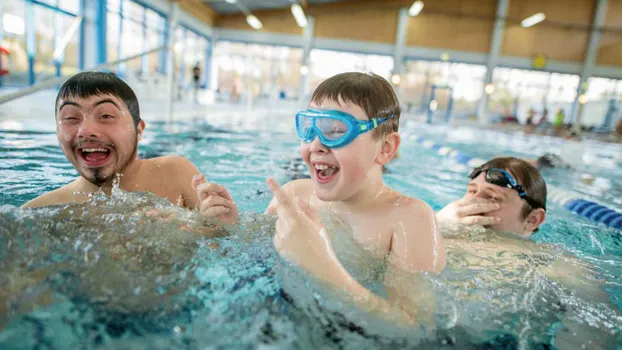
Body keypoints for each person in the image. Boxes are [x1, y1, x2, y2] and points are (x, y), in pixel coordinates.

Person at [195, 72, 446, 323]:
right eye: (309, 128)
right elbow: (255, 252)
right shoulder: (294, 194)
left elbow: (416, 329)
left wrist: (324, 269)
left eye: (336, 131)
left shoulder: (409, 218)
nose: (316, 145)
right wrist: (229, 227)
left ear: (385, 148)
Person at [22, 72, 205, 210]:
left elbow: (225, 241)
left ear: (138, 129)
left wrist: (216, 224)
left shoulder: (175, 173)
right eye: (70, 118)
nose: (86, 131)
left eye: (106, 116)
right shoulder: (40, 211)